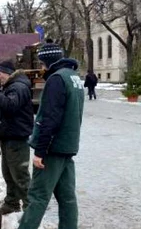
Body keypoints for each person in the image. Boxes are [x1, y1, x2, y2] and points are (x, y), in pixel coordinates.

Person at [18, 42, 84, 229]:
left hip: (51, 150)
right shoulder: (73, 77)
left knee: (37, 197)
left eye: (41, 62)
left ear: (45, 61)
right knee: (67, 199)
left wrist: (40, 151)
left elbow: (49, 119)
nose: (40, 66)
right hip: (67, 148)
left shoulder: (56, 79)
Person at [0, 60, 33, 214]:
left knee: (20, 177)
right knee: (9, 176)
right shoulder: (10, 87)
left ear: (8, 72)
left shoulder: (19, 87)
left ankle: (30, 209)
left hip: (17, 141)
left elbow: (10, 106)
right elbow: (4, 119)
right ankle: (11, 203)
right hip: (8, 140)